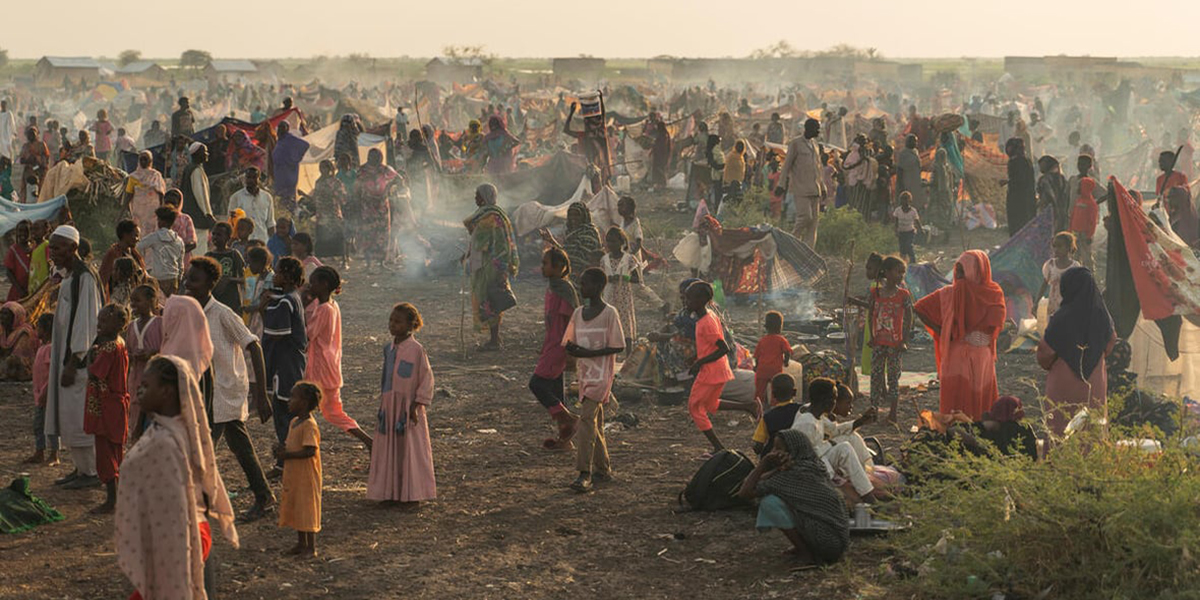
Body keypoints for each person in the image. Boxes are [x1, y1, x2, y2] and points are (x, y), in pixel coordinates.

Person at [115, 355, 240, 600]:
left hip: (177, 541)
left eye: (146, 385)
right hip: (182, 536)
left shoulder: (167, 443)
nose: (139, 390)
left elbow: (176, 510)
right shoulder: (172, 430)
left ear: (167, 392)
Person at [736, 428, 851, 566]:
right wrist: (775, 469)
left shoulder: (792, 476)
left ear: (792, 452)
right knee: (789, 504)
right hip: (836, 542)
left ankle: (806, 554)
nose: (773, 452)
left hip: (826, 543)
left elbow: (744, 492)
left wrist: (763, 464)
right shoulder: (814, 466)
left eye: (778, 448)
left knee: (769, 502)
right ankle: (805, 547)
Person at [915, 250, 1005, 420]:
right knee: (977, 406)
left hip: (965, 355)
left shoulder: (951, 293)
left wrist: (943, 330)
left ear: (977, 271)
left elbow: (920, 308)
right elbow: (996, 325)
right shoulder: (993, 294)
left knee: (957, 404)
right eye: (958, 271)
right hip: (976, 354)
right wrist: (942, 330)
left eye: (964, 271)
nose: (959, 276)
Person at [46, 225, 103, 490]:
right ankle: (80, 468)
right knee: (69, 415)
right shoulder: (70, 276)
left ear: (73, 248)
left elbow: (86, 323)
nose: (52, 252)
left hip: (77, 362)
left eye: (57, 248)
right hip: (66, 357)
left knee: (79, 416)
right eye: (51, 247)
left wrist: (73, 361)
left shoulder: (85, 277)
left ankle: (90, 471)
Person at [367, 303, 437, 504]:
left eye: (398, 322)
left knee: (409, 449)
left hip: (408, 409)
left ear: (411, 325)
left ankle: (411, 494)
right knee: (388, 449)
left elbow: (426, 379)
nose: (392, 325)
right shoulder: (388, 349)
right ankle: (389, 493)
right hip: (389, 406)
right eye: (391, 320)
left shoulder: (417, 350)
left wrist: (415, 406)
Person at [562, 268, 624, 492]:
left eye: (585, 284)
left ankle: (584, 473)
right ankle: (603, 469)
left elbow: (618, 346)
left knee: (586, 420)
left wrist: (589, 353)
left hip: (601, 375)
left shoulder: (609, 313)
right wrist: (574, 350)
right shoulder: (579, 313)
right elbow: (569, 342)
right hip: (585, 374)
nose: (581, 288)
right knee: (594, 422)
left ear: (598, 287)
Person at [1038, 267, 1115, 436]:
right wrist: (1094, 356)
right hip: (1094, 380)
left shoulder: (1060, 318)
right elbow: (1110, 342)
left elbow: (1045, 353)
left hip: (1063, 380)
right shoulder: (1102, 317)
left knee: (1060, 426)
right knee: (1092, 429)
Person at [684, 280, 757, 453]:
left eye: (689, 299)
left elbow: (723, 348)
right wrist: (697, 358)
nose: (687, 303)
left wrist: (699, 362)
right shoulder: (709, 315)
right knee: (710, 403)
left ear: (701, 300)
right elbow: (711, 346)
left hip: (711, 371)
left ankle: (718, 447)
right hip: (717, 369)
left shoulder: (706, 322)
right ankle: (748, 406)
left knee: (695, 407)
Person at [304, 266, 371, 447]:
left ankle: (305, 443)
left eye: (313, 283)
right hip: (329, 365)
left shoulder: (324, 309)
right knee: (332, 411)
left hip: (321, 368)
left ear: (324, 284)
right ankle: (368, 441)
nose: (310, 286)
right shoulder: (332, 306)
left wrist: (301, 304)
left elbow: (308, 334)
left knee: (314, 408)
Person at [791, 377, 878, 503]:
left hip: (820, 459)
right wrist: (834, 479)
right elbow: (810, 457)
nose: (835, 403)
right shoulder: (807, 423)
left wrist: (861, 421)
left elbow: (834, 430)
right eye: (834, 399)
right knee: (844, 450)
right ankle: (868, 496)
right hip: (809, 470)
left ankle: (867, 489)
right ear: (826, 401)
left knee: (845, 447)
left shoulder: (817, 416)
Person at [529, 247, 581, 451]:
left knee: (537, 384)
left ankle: (568, 418)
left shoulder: (564, 290)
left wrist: (569, 349)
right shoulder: (553, 288)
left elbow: (571, 321)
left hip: (560, 345)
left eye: (545, 264)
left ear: (559, 267)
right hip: (552, 343)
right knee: (556, 390)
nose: (542, 267)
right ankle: (565, 440)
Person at [261, 257, 308, 477]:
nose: (274, 275)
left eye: (278, 272)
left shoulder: (285, 302)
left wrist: (263, 309)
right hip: (290, 363)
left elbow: (276, 334)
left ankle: (285, 461)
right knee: (285, 415)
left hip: (284, 365)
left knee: (283, 415)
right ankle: (286, 459)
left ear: (287, 277)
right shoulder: (291, 298)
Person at [84, 304, 131, 514]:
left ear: (119, 324)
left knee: (105, 453)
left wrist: (90, 356)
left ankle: (112, 500)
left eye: (103, 321)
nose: (99, 325)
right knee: (115, 451)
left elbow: (95, 373)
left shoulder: (109, 348)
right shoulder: (119, 343)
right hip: (115, 404)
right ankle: (118, 497)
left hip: (106, 406)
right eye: (99, 321)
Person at [463, 183, 519, 350]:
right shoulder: (484, 215)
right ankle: (494, 339)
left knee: (491, 299)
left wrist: (502, 269)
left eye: (478, 195)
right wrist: (467, 254)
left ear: (485, 197)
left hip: (492, 265)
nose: (475, 198)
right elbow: (477, 239)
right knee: (485, 299)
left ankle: (495, 340)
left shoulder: (493, 217)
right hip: (482, 264)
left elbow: (501, 244)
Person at [274, 381, 322, 557]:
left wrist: (287, 455)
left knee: (307, 509)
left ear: (304, 402)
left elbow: (310, 451)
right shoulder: (294, 422)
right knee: (297, 508)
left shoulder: (309, 425)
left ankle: (311, 547)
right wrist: (280, 450)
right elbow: (291, 444)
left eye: (293, 397)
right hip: (295, 474)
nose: (289, 401)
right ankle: (301, 544)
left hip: (306, 476)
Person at [869, 256, 913, 422]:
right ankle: (873, 410)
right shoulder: (876, 293)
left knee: (893, 378)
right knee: (876, 377)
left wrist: (904, 340)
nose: (901, 275)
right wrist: (872, 336)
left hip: (895, 344)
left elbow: (909, 317)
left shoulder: (903, 295)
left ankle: (892, 413)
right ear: (887, 272)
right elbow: (870, 314)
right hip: (878, 342)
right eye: (897, 272)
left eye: (902, 272)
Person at [777, 118, 827, 248]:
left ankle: (808, 251)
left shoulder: (815, 145)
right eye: (816, 129)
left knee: (813, 224)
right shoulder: (795, 144)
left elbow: (818, 168)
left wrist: (823, 187)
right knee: (805, 217)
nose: (818, 131)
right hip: (801, 189)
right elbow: (786, 166)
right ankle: (791, 243)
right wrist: (781, 184)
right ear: (808, 128)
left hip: (815, 189)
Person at [599, 226, 644, 349]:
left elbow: (637, 279)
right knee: (608, 322)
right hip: (608, 295)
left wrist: (623, 278)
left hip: (623, 296)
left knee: (625, 323)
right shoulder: (604, 260)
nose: (610, 244)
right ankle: (610, 351)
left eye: (613, 241)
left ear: (621, 242)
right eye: (608, 241)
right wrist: (608, 279)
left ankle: (628, 352)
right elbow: (601, 278)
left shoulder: (629, 259)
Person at [125, 285, 161, 437]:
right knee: (135, 410)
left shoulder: (160, 323)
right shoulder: (131, 326)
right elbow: (127, 351)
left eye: (137, 300)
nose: (133, 304)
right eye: (132, 301)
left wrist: (153, 353)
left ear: (151, 301)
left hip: (155, 378)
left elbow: (167, 348)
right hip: (136, 378)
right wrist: (132, 356)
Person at [355, 148, 400, 270]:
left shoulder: (385, 169)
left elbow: (398, 178)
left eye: (377, 157)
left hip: (382, 207)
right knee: (368, 234)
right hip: (367, 207)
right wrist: (357, 204)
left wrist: (389, 189)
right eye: (373, 156)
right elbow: (357, 189)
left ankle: (381, 263)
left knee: (383, 234)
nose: (376, 159)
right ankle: (369, 264)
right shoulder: (362, 170)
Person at [25, 315, 58, 464]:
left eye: (39, 327)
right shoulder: (42, 347)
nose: (36, 330)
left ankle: (54, 454)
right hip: (39, 394)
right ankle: (40, 451)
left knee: (51, 424)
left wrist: (46, 390)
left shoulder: (50, 349)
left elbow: (52, 372)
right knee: (38, 424)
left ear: (46, 329)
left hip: (47, 393)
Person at [305, 160, 346, 266]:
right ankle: (320, 260)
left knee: (338, 235)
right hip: (322, 213)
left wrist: (331, 194)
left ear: (330, 169)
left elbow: (342, 197)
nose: (322, 170)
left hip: (333, 212)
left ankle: (344, 260)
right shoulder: (318, 182)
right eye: (321, 167)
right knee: (322, 236)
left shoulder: (336, 182)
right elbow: (316, 197)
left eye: (325, 167)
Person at [137, 206, 186, 297]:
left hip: (158, 278)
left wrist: (142, 262)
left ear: (161, 221)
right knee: (170, 303)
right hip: (173, 278)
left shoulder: (155, 237)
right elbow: (180, 264)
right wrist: (179, 278)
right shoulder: (179, 240)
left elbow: (138, 246)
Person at [753, 311, 792, 410]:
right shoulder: (781, 340)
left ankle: (757, 407)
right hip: (775, 370)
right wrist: (786, 361)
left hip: (762, 369)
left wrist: (756, 367)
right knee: (776, 389)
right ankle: (774, 407)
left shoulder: (762, 340)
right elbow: (787, 352)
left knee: (759, 391)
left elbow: (757, 356)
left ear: (766, 327)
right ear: (780, 327)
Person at [182, 143, 215, 254]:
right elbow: (201, 196)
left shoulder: (190, 168)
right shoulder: (196, 170)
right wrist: (208, 214)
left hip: (190, 214)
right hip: (197, 216)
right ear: (197, 154)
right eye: (204, 152)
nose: (207, 154)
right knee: (199, 248)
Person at [272, 122, 310, 218]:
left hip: (288, 174)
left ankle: (296, 215)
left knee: (288, 197)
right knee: (280, 197)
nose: (281, 129)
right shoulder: (280, 140)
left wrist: (293, 159)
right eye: (280, 127)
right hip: (279, 173)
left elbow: (305, 145)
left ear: (287, 129)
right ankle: (285, 215)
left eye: (283, 127)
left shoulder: (290, 139)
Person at [1068, 156, 1100, 272]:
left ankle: (1089, 273)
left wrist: (1094, 203)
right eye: (1079, 163)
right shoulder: (1073, 180)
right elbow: (1073, 215)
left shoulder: (1091, 183)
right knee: (1074, 253)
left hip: (1085, 231)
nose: (1080, 166)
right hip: (1075, 229)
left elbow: (1092, 221)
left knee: (1086, 253)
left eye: (1083, 164)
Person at [227, 167, 275, 244]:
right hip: (243, 243)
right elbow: (231, 223)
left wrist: (273, 243)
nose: (251, 180)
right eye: (248, 177)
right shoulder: (236, 198)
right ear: (244, 179)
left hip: (262, 241)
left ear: (259, 179)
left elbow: (270, 223)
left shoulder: (267, 197)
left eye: (254, 177)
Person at [98, 220, 144, 298]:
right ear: (125, 235)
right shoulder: (112, 255)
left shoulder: (135, 255)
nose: (138, 239)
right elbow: (103, 281)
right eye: (135, 235)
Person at [1039, 232, 1081, 316]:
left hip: (1068, 306)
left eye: (1059, 246)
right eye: (1054, 246)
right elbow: (1044, 284)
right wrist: (1037, 302)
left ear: (1068, 248)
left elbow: (1078, 288)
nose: (1056, 249)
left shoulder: (1075, 267)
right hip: (1053, 306)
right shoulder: (1050, 265)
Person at [124, 151, 166, 230]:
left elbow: (161, 194)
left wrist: (162, 208)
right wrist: (123, 210)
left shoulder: (156, 175)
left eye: (145, 159)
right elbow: (129, 194)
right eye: (141, 159)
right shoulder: (133, 177)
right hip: (138, 211)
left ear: (150, 161)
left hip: (152, 211)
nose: (143, 161)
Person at [1004, 138, 1037, 236]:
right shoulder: (1026, 161)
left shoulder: (1016, 162)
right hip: (1027, 198)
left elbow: (1019, 180)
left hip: (1018, 199)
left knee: (1017, 226)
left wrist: (1008, 181)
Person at [0, 301, 36, 380]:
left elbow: (18, 357)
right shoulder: (3, 331)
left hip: (21, 369)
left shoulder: (24, 332)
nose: (1, 316)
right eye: (1, 313)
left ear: (15, 317)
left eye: (5, 314)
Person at [1036, 156, 1070, 233]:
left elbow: (1046, 196)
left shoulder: (1044, 179)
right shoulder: (1062, 178)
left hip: (1048, 210)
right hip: (1062, 211)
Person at [163, 190, 198, 265]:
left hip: (183, 261)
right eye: (167, 203)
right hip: (163, 261)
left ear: (179, 204)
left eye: (173, 203)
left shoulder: (185, 219)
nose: (170, 206)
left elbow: (192, 243)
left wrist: (177, 252)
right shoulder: (159, 219)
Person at [18, 126, 50, 201]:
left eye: (32, 134)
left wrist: (37, 159)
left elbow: (46, 158)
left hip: (41, 170)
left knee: (42, 188)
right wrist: (28, 159)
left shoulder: (42, 145)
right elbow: (21, 160)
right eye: (29, 134)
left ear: (36, 135)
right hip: (29, 170)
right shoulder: (25, 146)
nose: (31, 136)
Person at [4, 219, 33, 301]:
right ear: (16, 232)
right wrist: (20, 290)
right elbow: (9, 272)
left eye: (26, 231)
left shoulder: (34, 248)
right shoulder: (13, 250)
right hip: (18, 291)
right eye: (20, 231)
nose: (23, 233)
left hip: (33, 289)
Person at [892, 192, 922, 264]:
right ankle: (903, 263)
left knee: (909, 246)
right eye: (903, 199)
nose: (904, 201)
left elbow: (917, 221)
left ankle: (913, 262)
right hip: (901, 232)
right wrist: (896, 231)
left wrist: (921, 230)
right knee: (902, 249)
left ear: (909, 200)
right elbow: (896, 222)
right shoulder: (898, 210)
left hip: (910, 231)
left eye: (906, 199)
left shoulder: (913, 211)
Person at [896, 135, 924, 209]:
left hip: (915, 180)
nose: (915, 143)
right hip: (907, 180)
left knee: (916, 200)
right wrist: (901, 184)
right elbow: (900, 169)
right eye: (913, 141)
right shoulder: (903, 154)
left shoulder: (915, 152)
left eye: (916, 141)